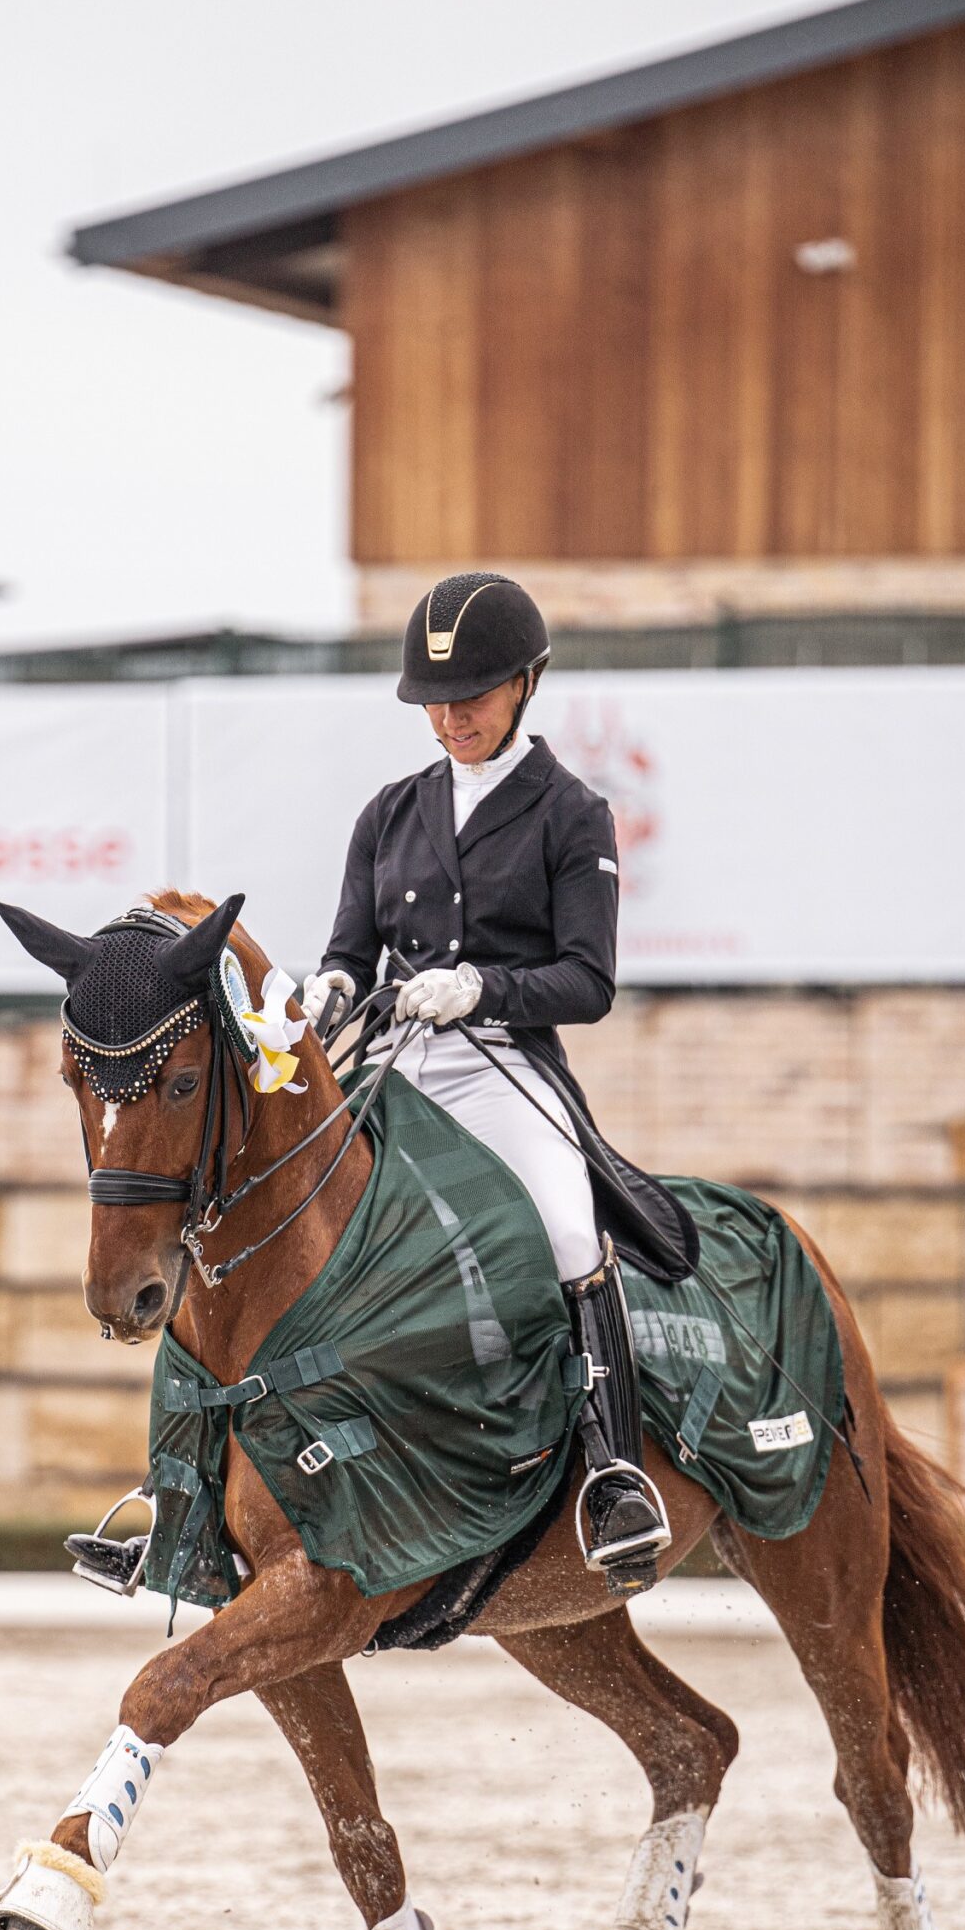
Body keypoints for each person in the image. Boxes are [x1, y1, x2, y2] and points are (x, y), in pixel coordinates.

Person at [305, 570, 676, 1593]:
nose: (449, 715)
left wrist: (479, 988)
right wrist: (330, 990)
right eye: (433, 700)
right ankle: (202, 1478)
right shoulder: (390, 811)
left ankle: (612, 1471)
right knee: (271, 1201)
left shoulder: (573, 813)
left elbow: (588, 981)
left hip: (505, 1064)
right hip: (392, 1061)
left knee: (564, 1225)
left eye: (470, 694)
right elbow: (349, 949)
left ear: (525, 683)